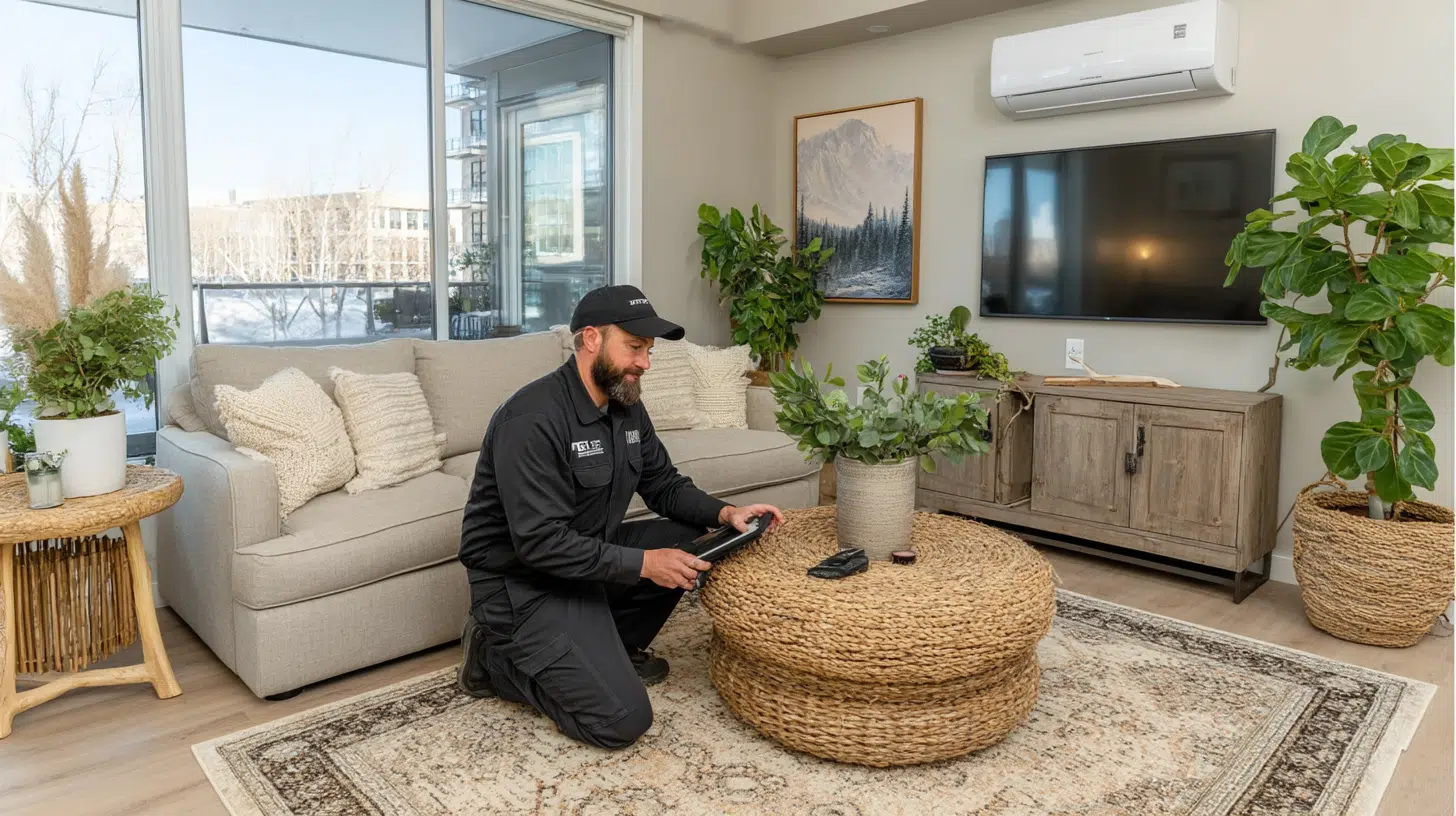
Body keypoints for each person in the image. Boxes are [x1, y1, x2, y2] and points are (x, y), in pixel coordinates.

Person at [456, 284, 785, 750]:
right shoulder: (532, 419)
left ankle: (611, 644)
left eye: (648, 350)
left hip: (584, 561)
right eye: (634, 347)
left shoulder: (625, 403)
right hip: (521, 584)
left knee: (692, 537)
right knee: (621, 721)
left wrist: (727, 512)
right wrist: (646, 564)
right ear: (591, 339)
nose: (644, 363)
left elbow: (664, 485)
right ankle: (494, 660)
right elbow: (541, 544)